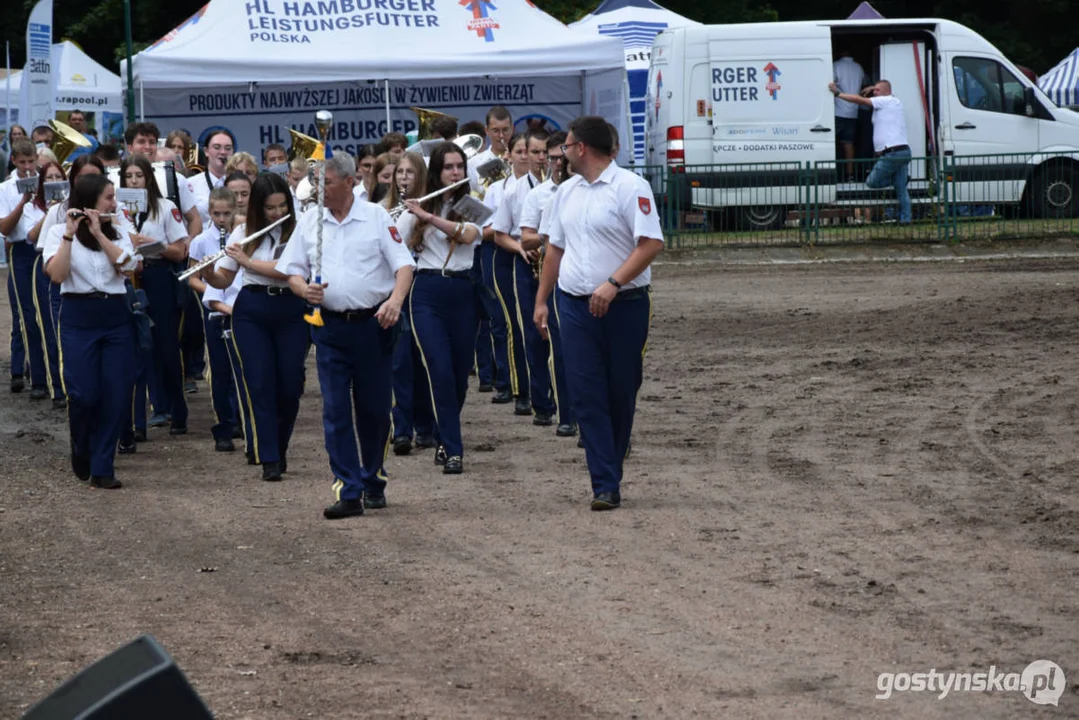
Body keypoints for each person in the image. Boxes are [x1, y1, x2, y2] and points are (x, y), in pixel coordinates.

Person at [535, 116, 664, 511]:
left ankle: (612, 457)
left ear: (582, 149)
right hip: (573, 305)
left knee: (621, 388)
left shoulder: (629, 187)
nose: (561, 154)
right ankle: (604, 482)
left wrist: (613, 283)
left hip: (624, 306)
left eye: (566, 146)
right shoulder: (565, 193)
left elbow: (650, 243)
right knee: (585, 392)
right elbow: (554, 249)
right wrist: (542, 300)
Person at [278, 152, 415, 518]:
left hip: (374, 326)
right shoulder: (310, 221)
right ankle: (348, 489)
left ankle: (373, 478)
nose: (319, 189)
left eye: (327, 182)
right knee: (336, 409)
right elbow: (290, 270)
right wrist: (303, 289)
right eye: (317, 183)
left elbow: (404, 264)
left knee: (373, 410)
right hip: (330, 327)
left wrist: (396, 302)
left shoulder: (375, 217)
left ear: (350, 181)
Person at [202, 173, 306, 482]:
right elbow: (224, 279)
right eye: (270, 208)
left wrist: (246, 261)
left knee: (290, 385)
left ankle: (280, 447)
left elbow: (286, 271)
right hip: (251, 310)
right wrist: (208, 273)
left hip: (290, 308)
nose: (277, 213)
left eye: (282, 206)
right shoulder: (243, 232)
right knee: (259, 383)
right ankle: (268, 456)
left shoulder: (298, 232)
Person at [43, 173, 140, 489]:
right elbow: (57, 276)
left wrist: (100, 234)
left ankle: (102, 466)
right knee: (83, 392)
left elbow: (127, 268)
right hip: (78, 314)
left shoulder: (119, 232)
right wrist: (71, 235)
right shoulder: (58, 231)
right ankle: (80, 444)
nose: (114, 203)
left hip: (115, 314)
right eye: (109, 198)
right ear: (89, 201)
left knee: (115, 392)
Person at [398, 142, 481, 474]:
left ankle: (442, 432)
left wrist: (429, 217)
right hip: (427, 291)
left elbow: (471, 235)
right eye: (448, 167)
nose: (455, 172)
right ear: (437, 172)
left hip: (463, 291)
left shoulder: (471, 204)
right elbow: (394, 249)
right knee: (440, 370)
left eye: (459, 166)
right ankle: (452, 447)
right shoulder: (415, 209)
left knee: (460, 376)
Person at [117, 154, 190, 446]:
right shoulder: (118, 210)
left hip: (159, 277)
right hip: (129, 279)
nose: (134, 181)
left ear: (148, 179)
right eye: (129, 177)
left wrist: (148, 244)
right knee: (136, 347)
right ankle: (149, 413)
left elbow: (180, 251)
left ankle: (178, 410)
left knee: (166, 346)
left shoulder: (165, 208)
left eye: (139, 176)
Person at [491, 129, 555, 424]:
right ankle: (534, 398)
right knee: (529, 330)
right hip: (525, 262)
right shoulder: (515, 190)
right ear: (526, 154)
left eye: (546, 153)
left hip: (556, 264)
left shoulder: (562, 187)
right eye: (537, 152)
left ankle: (561, 398)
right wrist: (521, 249)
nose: (542, 158)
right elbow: (500, 234)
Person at [519, 131, 576, 438]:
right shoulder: (544, 196)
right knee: (558, 349)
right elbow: (537, 239)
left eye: (560, 157)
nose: (555, 163)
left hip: (587, 278)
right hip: (556, 277)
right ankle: (565, 413)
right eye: (552, 158)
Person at [385, 152, 435, 455]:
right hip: (395, 292)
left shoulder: (430, 210)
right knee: (399, 362)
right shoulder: (382, 210)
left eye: (410, 172)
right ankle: (401, 429)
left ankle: (426, 426)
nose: (403, 177)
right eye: (399, 172)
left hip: (424, 289)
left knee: (424, 361)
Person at [188, 186, 245, 452]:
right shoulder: (200, 241)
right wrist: (213, 291)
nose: (221, 219)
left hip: (240, 310)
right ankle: (223, 425)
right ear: (209, 212)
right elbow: (192, 278)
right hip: (214, 312)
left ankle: (242, 422)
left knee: (242, 368)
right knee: (219, 370)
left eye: (226, 213)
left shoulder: (243, 238)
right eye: (216, 213)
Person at [488, 132, 534, 417]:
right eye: (520, 151)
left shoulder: (546, 186)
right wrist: (520, 248)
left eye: (530, 151)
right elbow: (496, 231)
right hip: (511, 254)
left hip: (541, 253)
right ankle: (520, 389)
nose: (526, 157)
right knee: (513, 324)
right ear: (510, 155)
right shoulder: (502, 189)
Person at [1, 138, 50, 401]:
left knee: (50, 316)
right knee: (28, 317)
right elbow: (5, 229)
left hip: (46, 248)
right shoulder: (5, 188)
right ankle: (38, 379)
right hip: (21, 252)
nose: (28, 167)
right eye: (22, 163)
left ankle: (52, 377)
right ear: (14, 162)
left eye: (32, 162)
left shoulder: (48, 179)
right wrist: (23, 201)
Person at [829, 79, 912, 225]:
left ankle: (900, 184)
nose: (874, 93)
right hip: (901, 151)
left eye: (877, 91)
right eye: (874, 91)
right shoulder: (893, 101)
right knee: (901, 190)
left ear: (886, 92)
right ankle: (906, 219)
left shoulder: (885, 100)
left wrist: (838, 93)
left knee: (872, 182)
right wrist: (875, 87)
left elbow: (859, 100)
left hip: (892, 153)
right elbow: (866, 96)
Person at [25, 159, 67, 408]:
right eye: (48, 178)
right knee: (48, 326)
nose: (53, 182)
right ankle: (56, 387)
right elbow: (31, 237)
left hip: (67, 263)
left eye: (57, 177)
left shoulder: (71, 204)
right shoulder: (34, 206)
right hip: (43, 264)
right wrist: (51, 212)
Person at [123, 123, 202, 236]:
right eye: (141, 142)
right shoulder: (116, 177)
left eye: (152, 142)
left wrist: (188, 243)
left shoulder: (175, 179)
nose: (147, 146)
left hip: (168, 251)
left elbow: (195, 219)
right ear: (130, 147)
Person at [190, 129, 236, 225]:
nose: (223, 152)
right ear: (206, 151)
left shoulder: (239, 184)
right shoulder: (190, 184)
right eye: (217, 147)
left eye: (228, 148)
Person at [833, 49, 866, 181]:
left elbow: (831, 84)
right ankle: (850, 175)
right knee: (848, 144)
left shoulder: (836, 65)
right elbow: (864, 85)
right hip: (853, 112)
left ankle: (833, 174)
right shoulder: (859, 67)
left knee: (830, 142)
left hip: (838, 111)